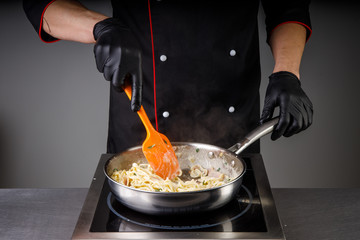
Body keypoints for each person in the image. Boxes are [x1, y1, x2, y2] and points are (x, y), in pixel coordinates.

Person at [23, 0, 313, 154]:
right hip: (142, 123)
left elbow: (288, 5)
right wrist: (102, 27)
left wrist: (287, 71)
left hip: (234, 123)